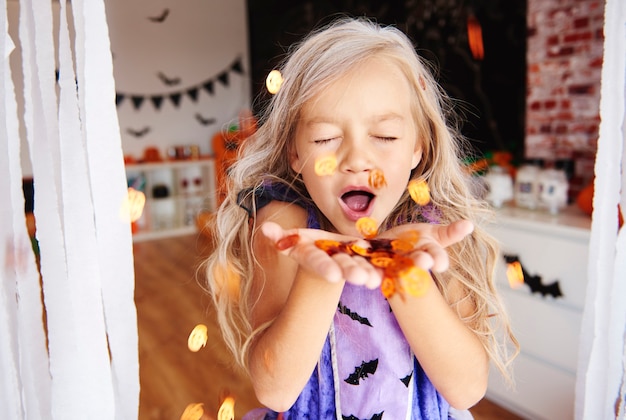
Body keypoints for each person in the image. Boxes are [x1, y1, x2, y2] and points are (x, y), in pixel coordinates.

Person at [203, 17, 518, 420]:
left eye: (384, 136)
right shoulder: (285, 227)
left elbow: (467, 388)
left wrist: (406, 274)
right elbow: (276, 390)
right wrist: (320, 274)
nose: (356, 160)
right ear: (296, 154)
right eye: (325, 139)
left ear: (418, 148)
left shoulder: (436, 231)